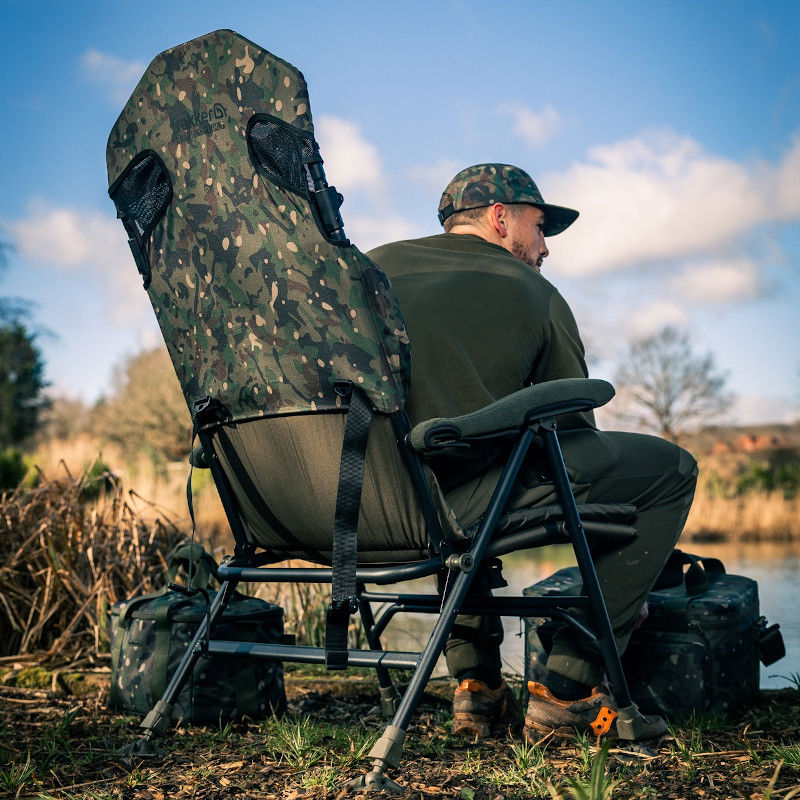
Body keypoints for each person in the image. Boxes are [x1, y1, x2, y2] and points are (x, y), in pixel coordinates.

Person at [366, 164, 698, 741]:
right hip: (450, 505)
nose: (545, 249)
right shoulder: (534, 291)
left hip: (349, 507)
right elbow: (572, 437)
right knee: (669, 471)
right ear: (500, 218)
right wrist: (622, 596)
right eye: (540, 227)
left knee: (466, 468)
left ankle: (476, 686)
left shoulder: (364, 269)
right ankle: (567, 686)